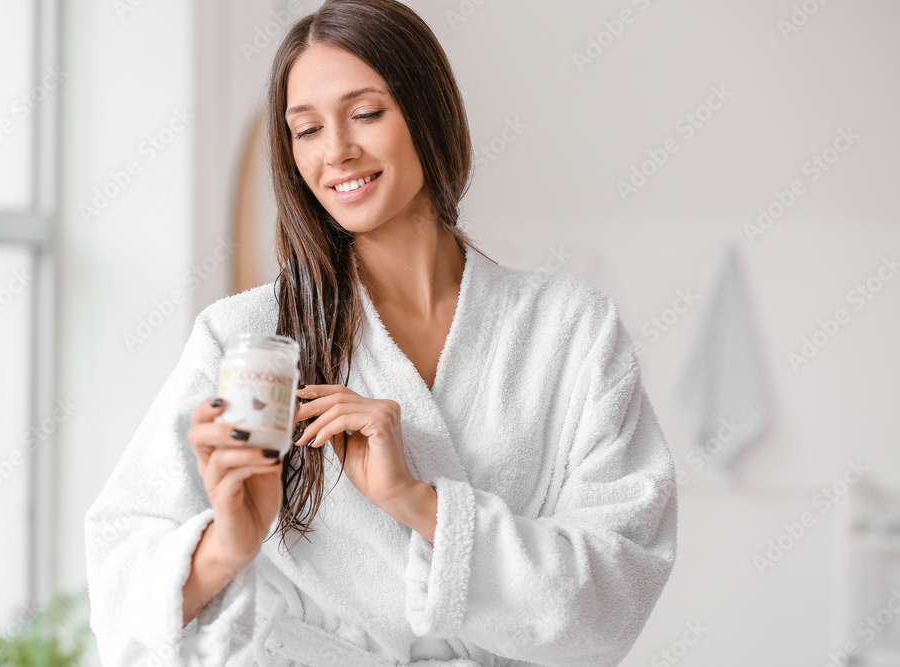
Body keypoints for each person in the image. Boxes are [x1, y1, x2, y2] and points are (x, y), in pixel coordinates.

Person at [83, 1, 678, 665]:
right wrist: (229, 541)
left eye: (366, 113)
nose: (336, 150)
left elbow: (616, 592)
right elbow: (120, 593)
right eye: (305, 130)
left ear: (428, 112)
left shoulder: (571, 329)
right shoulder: (247, 337)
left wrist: (418, 500)